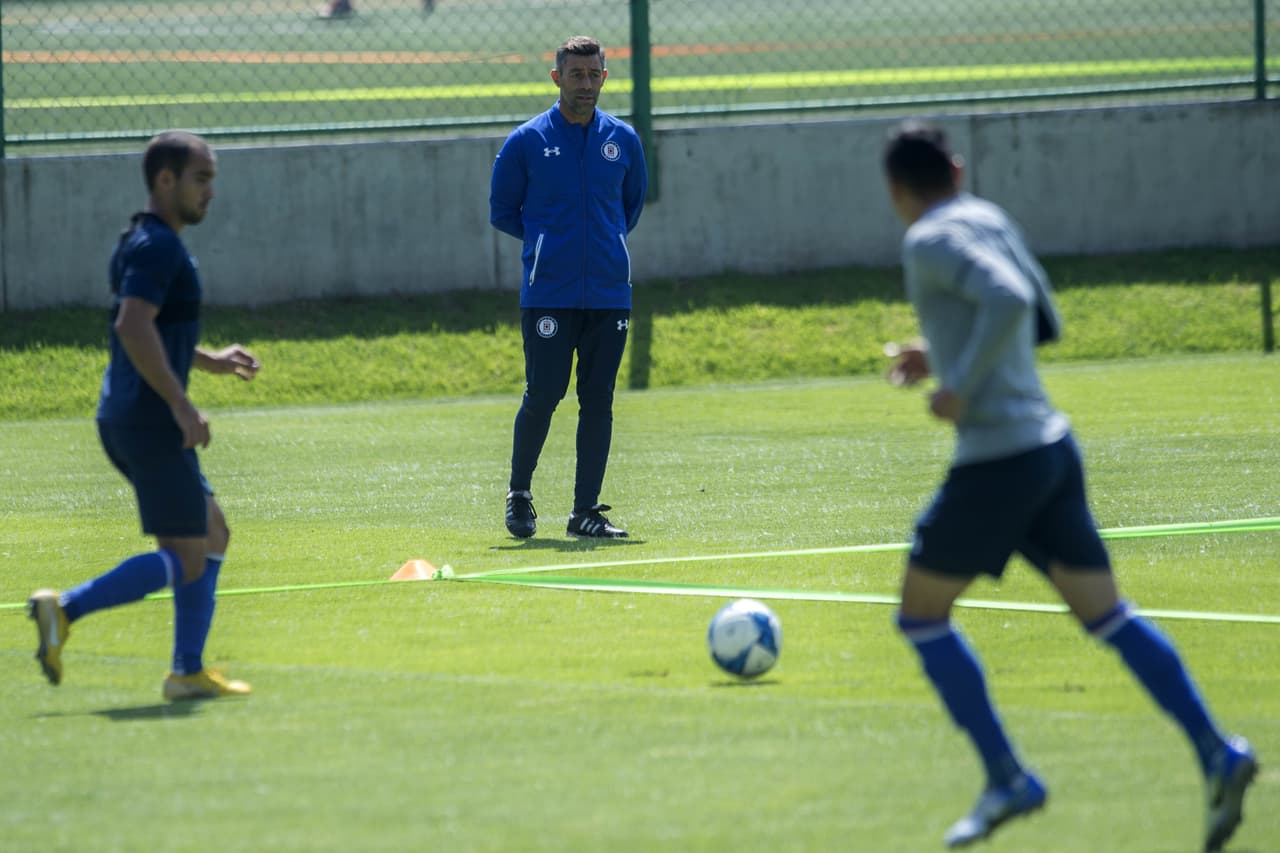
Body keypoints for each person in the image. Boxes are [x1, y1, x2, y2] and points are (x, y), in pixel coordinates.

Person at [880, 121, 1257, 851]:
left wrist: (959, 380)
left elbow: (1012, 302)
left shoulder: (925, 238)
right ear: (956, 169)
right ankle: (1218, 751)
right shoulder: (988, 214)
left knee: (921, 615)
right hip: (1052, 449)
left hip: (998, 462)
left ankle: (1007, 777)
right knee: (1107, 614)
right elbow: (1042, 314)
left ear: (896, 189)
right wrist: (944, 350)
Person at [28, 131, 261, 701]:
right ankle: (65, 610)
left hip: (133, 415)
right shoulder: (160, 247)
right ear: (166, 179)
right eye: (200, 178)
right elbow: (131, 326)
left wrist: (208, 361)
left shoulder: (142, 239)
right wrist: (182, 405)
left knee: (212, 533)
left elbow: (148, 325)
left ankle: (187, 672)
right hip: (150, 420)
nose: (210, 191)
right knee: (184, 558)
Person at [489, 35, 648, 539]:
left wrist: (601, 246)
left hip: (608, 293)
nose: (585, 84)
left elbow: (630, 208)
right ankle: (519, 495)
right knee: (543, 394)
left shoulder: (622, 140)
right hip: (549, 294)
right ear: (557, 78)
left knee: (598, 398)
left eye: (593, 74)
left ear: (605, 75)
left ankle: (585, 512)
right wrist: (547, 246)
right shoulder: (527, 141)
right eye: (575, 75)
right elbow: (502, 211)